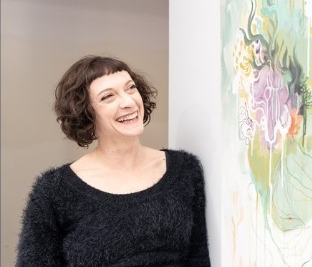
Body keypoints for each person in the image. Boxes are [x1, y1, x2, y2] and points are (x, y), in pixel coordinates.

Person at [17, 56, 210, 266]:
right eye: (108, 96)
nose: (128, 102)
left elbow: (199, 257)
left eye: (130, 88)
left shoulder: (185, 169)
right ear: (85, 113)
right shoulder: (54, 191)